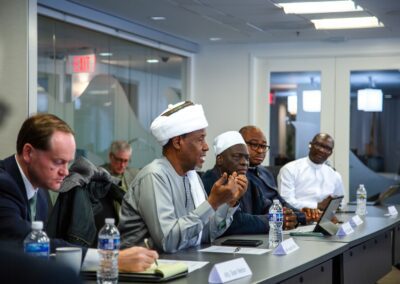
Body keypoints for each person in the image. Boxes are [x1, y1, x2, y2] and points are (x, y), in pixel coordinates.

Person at [0, 113, 158, 272]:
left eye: (68, 162)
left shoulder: (40, 190)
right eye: (58, 162)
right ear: (28, 153)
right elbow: (28, 242)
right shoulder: (4, 185)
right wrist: (111, 259)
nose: (66, 172)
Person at [119, 101, 246, 253]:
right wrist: (212, 203)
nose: (206, 147)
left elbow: (205, 234)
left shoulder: (192, 177)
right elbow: (168, 241)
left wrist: (229, 203)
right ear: (178, 142)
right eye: (200, 139)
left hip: (183, 262)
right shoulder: (154, 176)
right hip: (145, 270)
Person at [202, 130, 303, 235]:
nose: (244, 162)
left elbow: (267, 206)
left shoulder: (246, 181)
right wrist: (275, 220)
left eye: (246, 158)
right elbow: (235, 223)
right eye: (237, 156)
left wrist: (289, 217)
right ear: (220, 159)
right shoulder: (211, 182)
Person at [277, 133, 345, 216]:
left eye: (327, 149)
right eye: (319, 145)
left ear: (330, 153)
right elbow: (286, 202)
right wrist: (318, 206)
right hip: (298, 220)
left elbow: (340, 203)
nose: (322, 150)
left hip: (326, 220)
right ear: (310, 145)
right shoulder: (290, 169)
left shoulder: (335, 175)